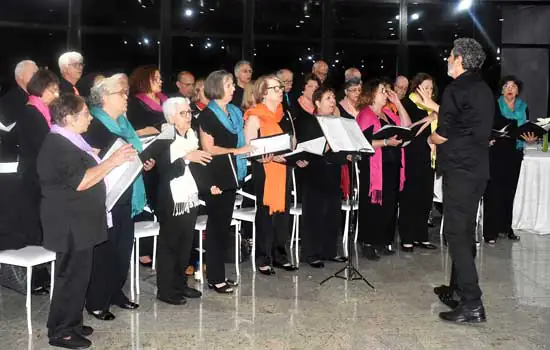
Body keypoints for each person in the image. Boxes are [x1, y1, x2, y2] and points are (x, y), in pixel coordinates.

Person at [38, 94, 136, 349]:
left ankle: (71, 322)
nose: (90, 118)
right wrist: (112, 162)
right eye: (85, 114)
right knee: (70, 277)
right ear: (69, 117)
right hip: (69, 222)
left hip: (80, 220)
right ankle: (61, 331)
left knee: (79, 276)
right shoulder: (58, 144)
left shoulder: (71, 140)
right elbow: (80, 181)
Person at [430, 38, 493, 324]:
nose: (447, 60)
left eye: (450, 56)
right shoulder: (483, 88)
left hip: (459, 170)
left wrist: (432, 138)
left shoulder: (456, 88)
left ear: (460, 60)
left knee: (456, 234)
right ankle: (456, 289)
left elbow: (443, 132)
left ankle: (472, 303)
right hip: (478, 170)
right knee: (464, 231)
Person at [84, 75, 156, 320]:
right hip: (105, 195)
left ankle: (116, 292)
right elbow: (88, 161)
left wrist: (142, 162)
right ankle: (96, 300)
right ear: (104, 98)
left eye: (126, 92)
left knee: (123, 248)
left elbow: (132, 153)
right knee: (104, 249)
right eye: (121, 93)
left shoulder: (124, 123)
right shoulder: (93, 124)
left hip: (127, 191)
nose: (127, 97)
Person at [155, 97, 214, 305]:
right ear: (170, 117)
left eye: (189, 112)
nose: (188, 116)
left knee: (185, 244)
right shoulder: (164, 138)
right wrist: (187, 158)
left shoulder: (190, 134)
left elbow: (199, 164)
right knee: (170, 244)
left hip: (189, 196)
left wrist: (209, 185)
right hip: (170, 197)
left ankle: (180, 284)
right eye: (183, 113)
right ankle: (166, 289)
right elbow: (165, 171)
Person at [199, 70, 253, 293]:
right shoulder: (207, 115)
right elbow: (208, 149)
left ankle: (218, 273)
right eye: (229, 84)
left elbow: (244, 139)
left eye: (232, 84)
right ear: (217, 88)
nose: (233, 88)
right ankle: (215, 276)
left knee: (223, 227)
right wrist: (237, 150)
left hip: (232, 173)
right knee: (216, 227)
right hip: (216, 175)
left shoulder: (234, 112)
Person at [243, 75, 298, 275]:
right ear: (264, 92)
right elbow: (249, 147)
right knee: (266, 213)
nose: (280, 91)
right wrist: (261, 157)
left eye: (280, 88)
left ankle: (280, 254)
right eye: (276, 88)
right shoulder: (254, 116)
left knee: (283, 212)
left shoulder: (285, 115)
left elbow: (292, 140)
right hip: (265, 168)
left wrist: (293, 147)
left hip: (283, 167)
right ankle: (263, 256)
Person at [356, 79, 411, 261]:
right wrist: (386, 142)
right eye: (382, 90)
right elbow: (363, 143)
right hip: (374, 167)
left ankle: (382, 241)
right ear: (371, 94)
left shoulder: (388, 113)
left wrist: (398, 103)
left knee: (389, 205)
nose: (385, 93)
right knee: (373, 205)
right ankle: (368, 243)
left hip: (392, 165)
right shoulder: (365, 115)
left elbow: (407, 126)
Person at [298, 86, 348, 268]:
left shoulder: (336, 122)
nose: (333, 102)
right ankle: (312, 254)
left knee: (332, 213)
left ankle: (330, 251)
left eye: (334, 98)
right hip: (314, 172)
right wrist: (328, 142)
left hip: (332, 171)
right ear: (317, 102)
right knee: (315, 214)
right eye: (328, 98)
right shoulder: (309, 122)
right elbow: (305, 147)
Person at [483, 76, 536, 245]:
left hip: (515, 152)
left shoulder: (523, 107)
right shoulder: (494, 105)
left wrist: (530, 138)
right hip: (496, 152)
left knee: (509, 191)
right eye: (506, 86)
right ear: (502, 89)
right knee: (493, 192)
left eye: (513, 86)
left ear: (518, 90)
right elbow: (487, 126)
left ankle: (506, 228)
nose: (510, 89)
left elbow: (526, 129)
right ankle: (490, 231)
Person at [126, 66, 167, 265]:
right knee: (146, 203)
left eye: (160, 78)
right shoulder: (135, 103)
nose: (160, 81)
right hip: (147, 156)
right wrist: (145, 131)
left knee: (162, 203)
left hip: (166, 156)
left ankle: (161, 245)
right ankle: (144, 250)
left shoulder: (166, 101)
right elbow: (129, 132)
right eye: (156, 78)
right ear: (144, 79)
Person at [398, 73, 439, 252]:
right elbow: (408, 132)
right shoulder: (409, 103)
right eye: (425, 87)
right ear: (417, 88)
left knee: (425, 197)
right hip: (412, 154)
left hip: (429, 156)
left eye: (431, 88)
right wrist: (428, 120)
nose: (428, 91)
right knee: (410, 198)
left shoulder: (432, 106)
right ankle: (407, 237)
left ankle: (421, 236)